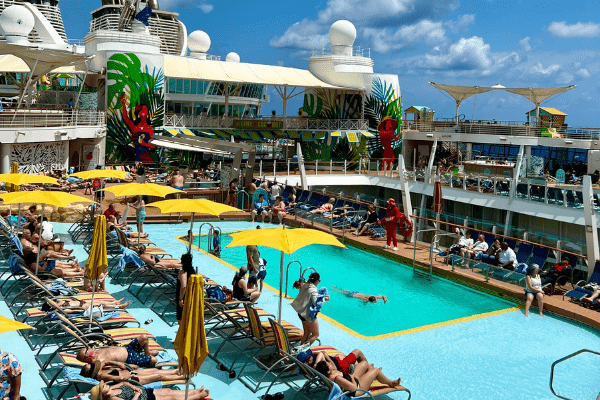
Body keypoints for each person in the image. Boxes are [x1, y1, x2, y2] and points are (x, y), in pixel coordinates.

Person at [314, 359, 403, 394]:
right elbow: (353, 388)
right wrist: (352, 376)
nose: (330, 363)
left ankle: (375, 376)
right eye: (328, 364)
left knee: (364, 363)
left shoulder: (328, 374)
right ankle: (390, 382)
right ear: (328, 371)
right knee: (375, 370)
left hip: (352, 379)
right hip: (358, 388)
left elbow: (332, 365)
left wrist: (326, 356)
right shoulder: (337, 378)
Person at [291, 272, 328, 345]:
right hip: (308, 315)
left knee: (306, 333)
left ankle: (299, 351)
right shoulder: (313, 290)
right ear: (317, 281)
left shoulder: (305, 285)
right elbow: (316, 303)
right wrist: (325, 299)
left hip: (301, 313)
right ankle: (302, 350)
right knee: (315, 334)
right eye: (319, 281)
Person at [77, 335, 159, 367]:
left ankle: (147, 353)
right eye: (87, 349)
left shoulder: (96, 351)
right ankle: (146, 356)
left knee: (144, 337)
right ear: (87, 356)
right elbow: (111, 367)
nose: (88, 347)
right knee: (154, 360)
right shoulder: (99, 361)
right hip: (131, 358)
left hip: (127, 348)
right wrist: (130, 367)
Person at [81, 361, 186, 386]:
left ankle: (176, 371)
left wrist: (118, 363)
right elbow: (119, 379)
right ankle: (180, 377)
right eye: (94, 367)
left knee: (155, 370)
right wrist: (131, 375)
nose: (96, 366)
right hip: (132, 379)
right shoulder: (102, 375)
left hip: (131, 372)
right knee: (158, 376)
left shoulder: (99, 370)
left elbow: (105, 361)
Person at [89, 380, 210, 400]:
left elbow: (124, 382)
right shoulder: (113, 398)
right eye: (103, 387)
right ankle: (199, 396)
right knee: (173, 398)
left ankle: (196, 391)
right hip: (146, 398)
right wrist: (136, 394)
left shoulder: (112, 388)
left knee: (169, 391)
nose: (106, 385)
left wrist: (134, 387)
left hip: (145, 392)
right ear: (103, 395)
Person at [121, 94, 155, 162]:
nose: (143, 111)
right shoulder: (134, 126)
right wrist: (123, 104)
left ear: (147, 113)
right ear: (138, 113)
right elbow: (125, 117)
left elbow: (153, 146)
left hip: (146, 157)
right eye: (141, 109)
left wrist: (143, 143)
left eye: (145, 109)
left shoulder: (149, 128)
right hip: (136, 157)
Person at [176, 253, 194, 323]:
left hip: (183, 298)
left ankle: (183, 334)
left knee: (180, 320)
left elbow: (183, 286)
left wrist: (180, 299)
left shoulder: (183, 273)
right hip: (190, 296)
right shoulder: (192, 271)